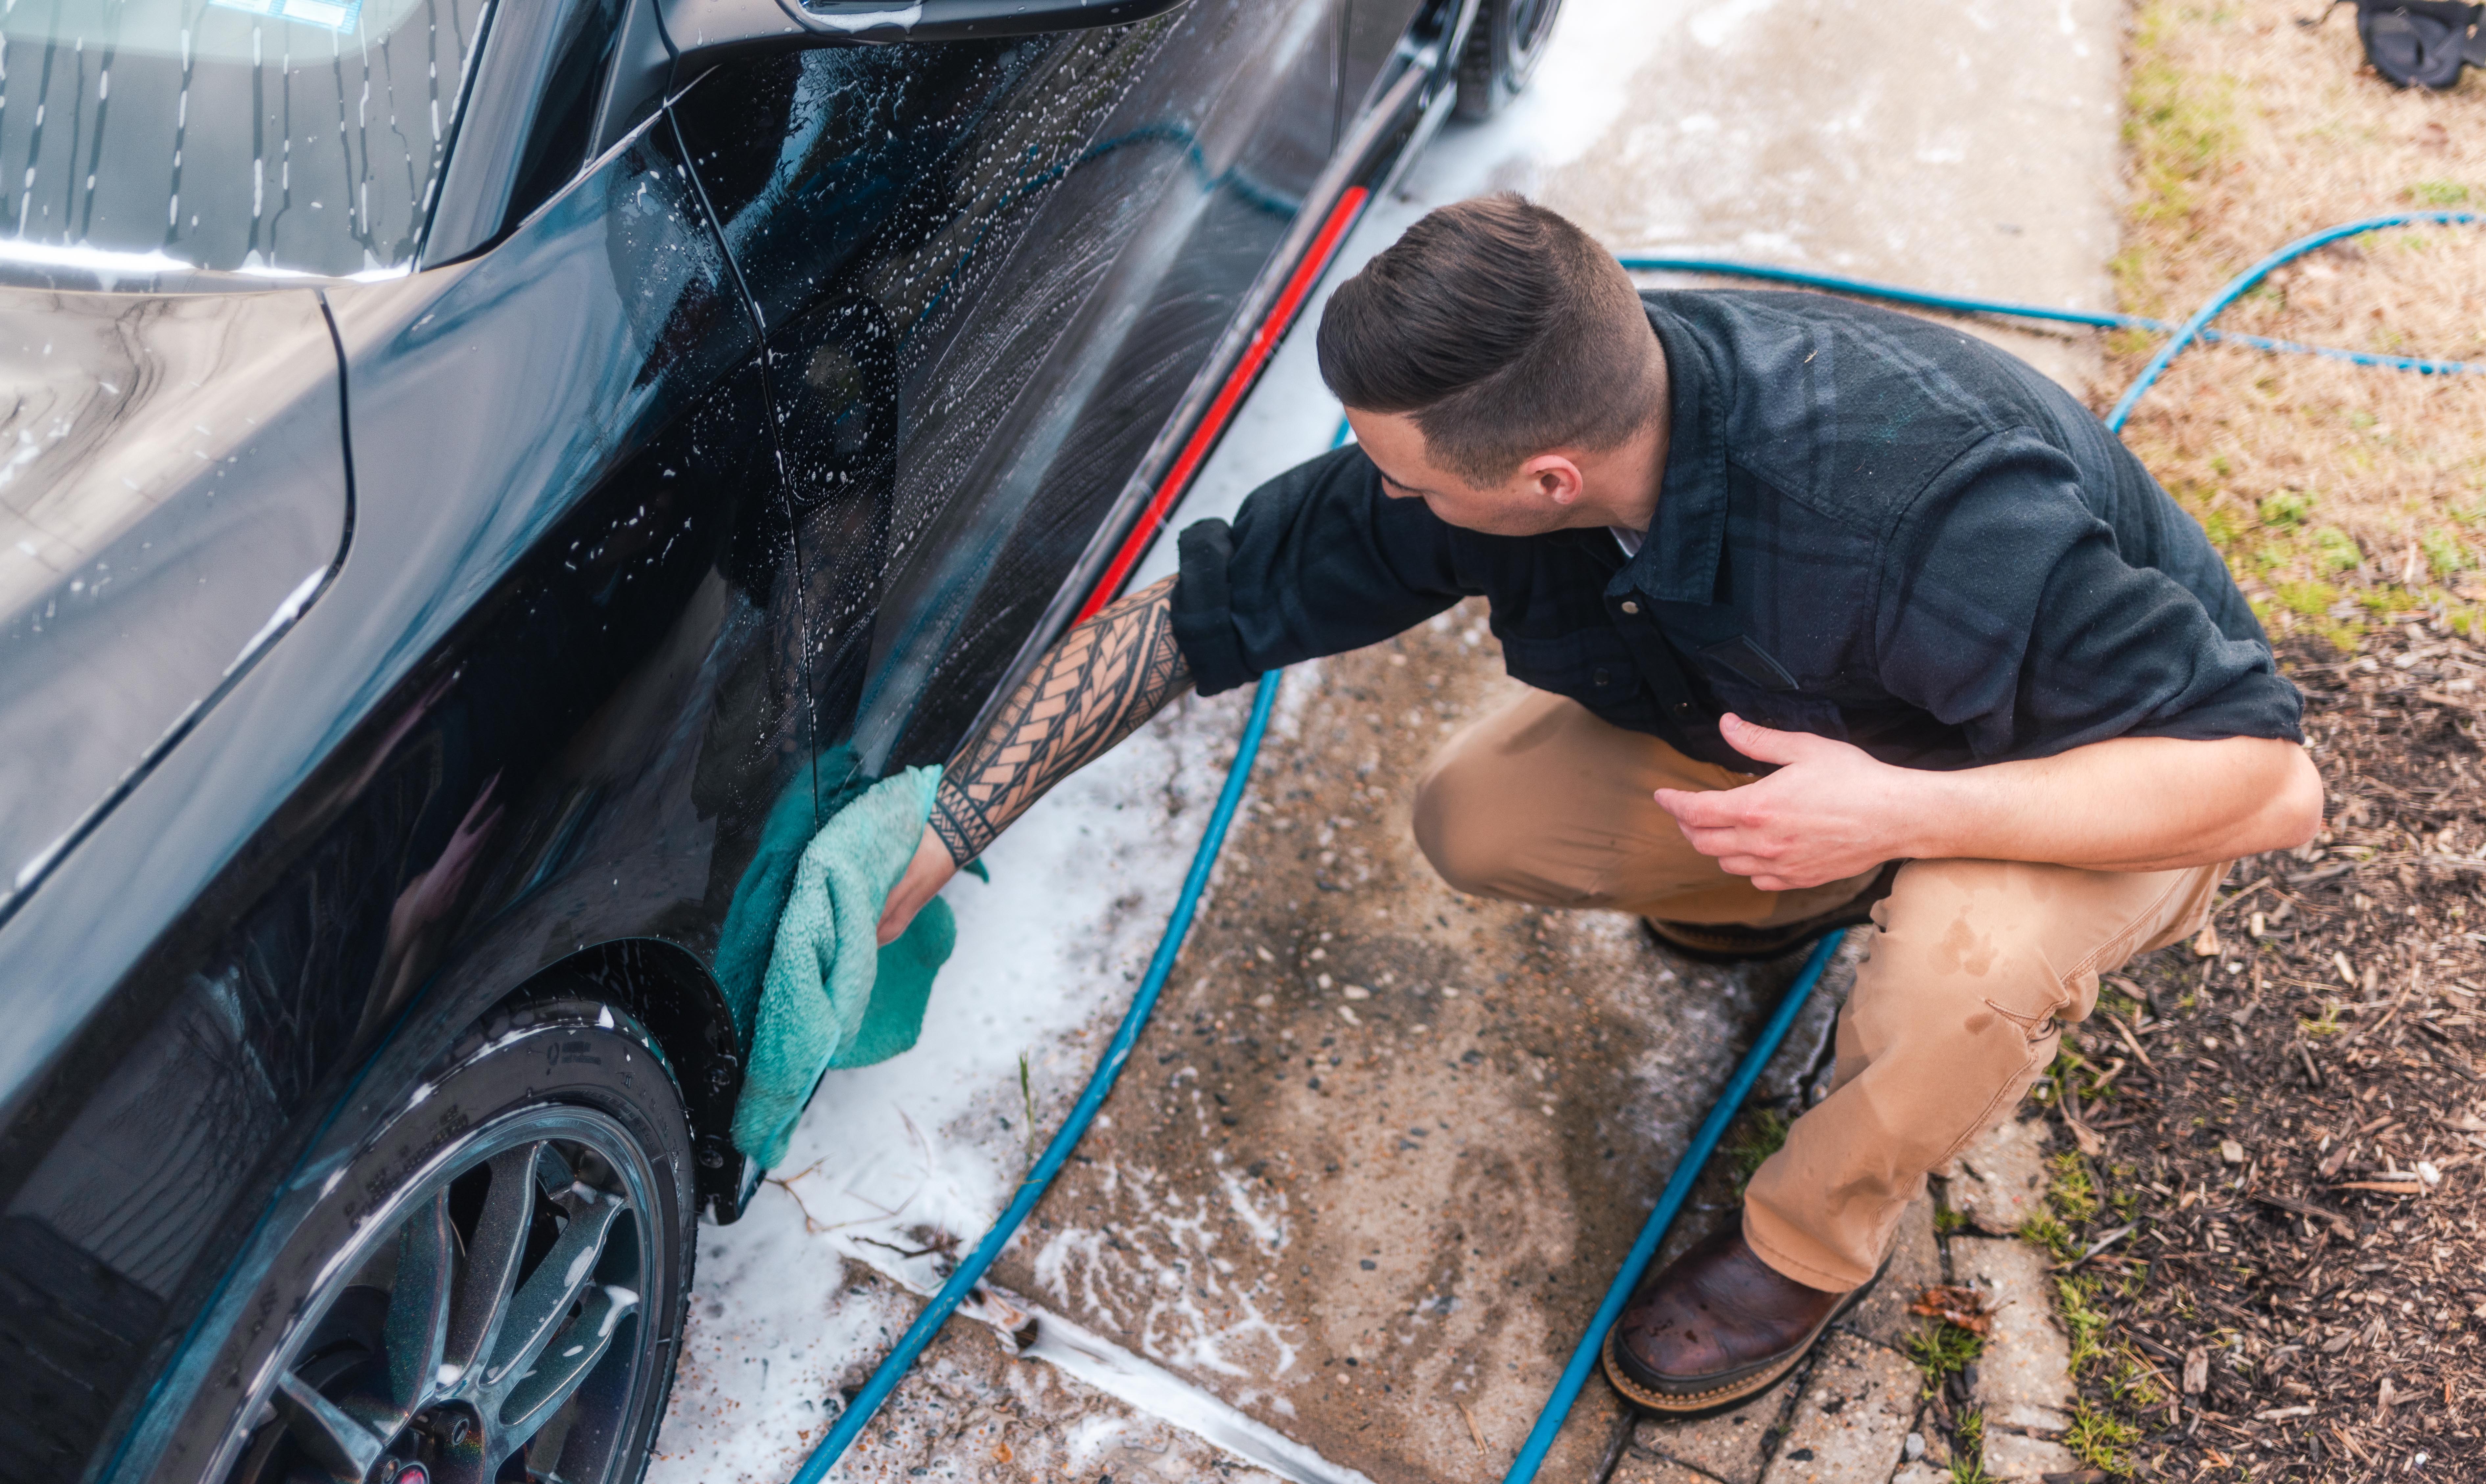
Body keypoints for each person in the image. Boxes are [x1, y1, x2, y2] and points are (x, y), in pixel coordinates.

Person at [875, 193, 2321, 1415]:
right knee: (1482, 816)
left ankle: (1809, 1239)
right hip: (1830, 745)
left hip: (2108, 783)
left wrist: (1889, 814)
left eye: (1401, 475)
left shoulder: (1916, 508)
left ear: (1544, 477)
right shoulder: (1531, 404)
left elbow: (2267, 782)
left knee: (1967, 964)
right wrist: (935, 835)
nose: (1384, 494)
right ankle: (1803, 886)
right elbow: (1194, 621)